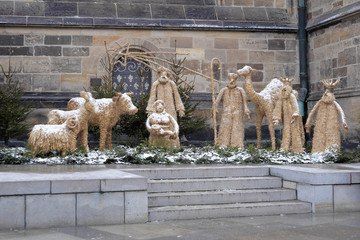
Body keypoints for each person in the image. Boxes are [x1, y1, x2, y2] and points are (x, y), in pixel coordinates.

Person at [305, 79, 348, 153]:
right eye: (326, 91)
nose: (327, 93)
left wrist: (344, 122)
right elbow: (312, 112)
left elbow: (341, 111)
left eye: (329, 91)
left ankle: (331, 152)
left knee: (332, 137)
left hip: (332, 125)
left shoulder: (334, 103)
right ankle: (318, 152)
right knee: (319, 137)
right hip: (320, 124)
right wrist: (307, 125)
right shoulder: (320, 102)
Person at [213, 73, 250, 148]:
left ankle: (237, 144)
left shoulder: (240, 90)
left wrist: (246, 108)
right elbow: (217, 100)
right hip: (227, 110)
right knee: (225, 125)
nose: (232, 82)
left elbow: (245, 101)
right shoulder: (224, 90)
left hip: (238, 110)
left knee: (237, 126)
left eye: (233, 80)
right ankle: (223, 143)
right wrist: (215, 107)